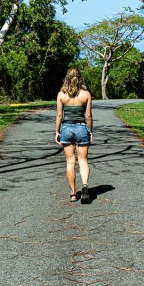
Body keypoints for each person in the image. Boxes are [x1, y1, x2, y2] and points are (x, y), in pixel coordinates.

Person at [55, 67, 93, 203]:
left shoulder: (61, 94)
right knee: (83, 160)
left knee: (70, 162)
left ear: (67, 78)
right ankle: (84, 186)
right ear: (80, 77)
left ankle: (72, 193)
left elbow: (59, 115)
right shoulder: (86, 94)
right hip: (82, 128)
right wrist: (90, 130)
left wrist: (57, 131)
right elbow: (88, 115)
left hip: (66, 128)